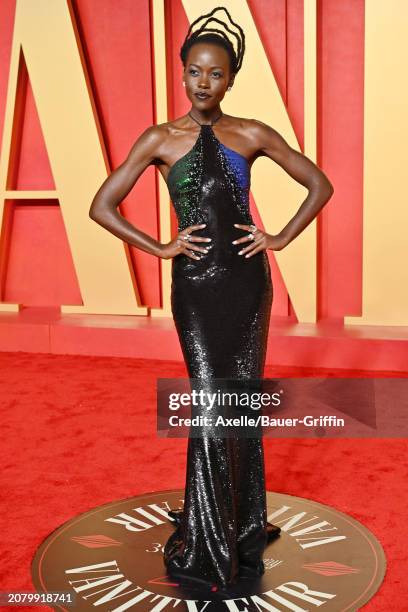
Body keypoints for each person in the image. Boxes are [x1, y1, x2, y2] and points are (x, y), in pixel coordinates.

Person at [89, 5, 334, 591]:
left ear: (230, 79)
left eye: (216, 74)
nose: (204, 82)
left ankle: (242, 521)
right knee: (208, 403)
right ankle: (208, 535)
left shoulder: (250, 133)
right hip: (196, 291)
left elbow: (319, 184)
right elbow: (101, 206)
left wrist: (277, 237)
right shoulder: (159, 138)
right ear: (182, 74)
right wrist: (161, 246)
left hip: (249, 287)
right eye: (195, 71)